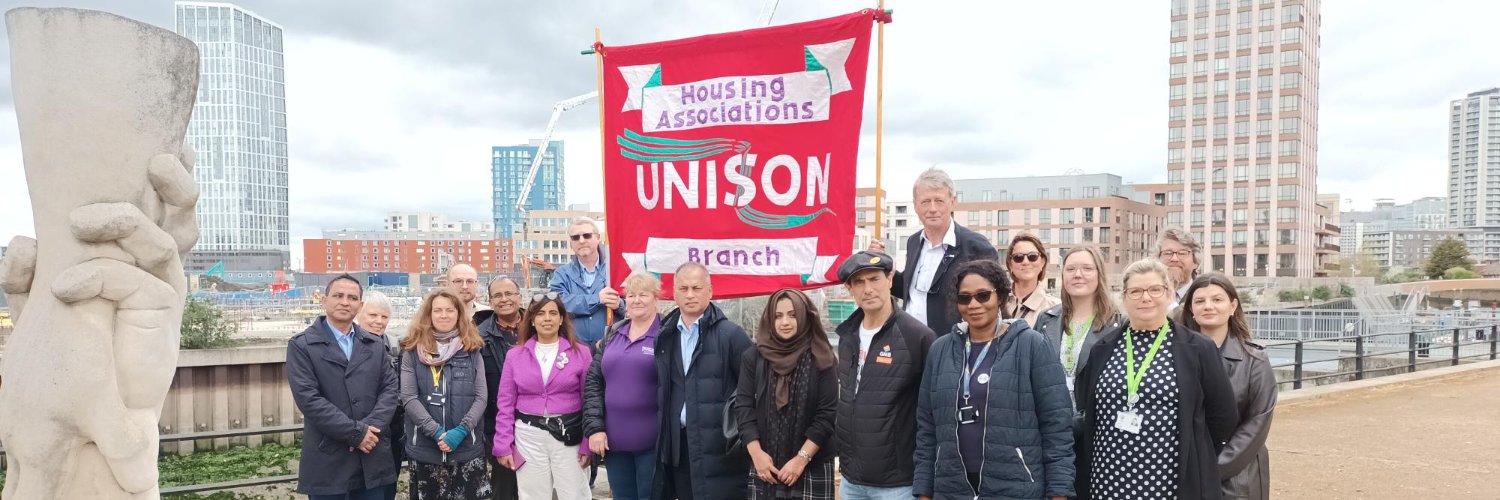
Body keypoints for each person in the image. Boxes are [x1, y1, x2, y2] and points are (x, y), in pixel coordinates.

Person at [1073, 259, 1238, 500]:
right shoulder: (1103, 349)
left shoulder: (1198, 349)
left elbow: (1223, 416)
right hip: (1106, 478)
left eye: (1155, 290)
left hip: (1168, 481)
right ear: (1124, 297)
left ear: (1169, 293)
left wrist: (1195, 452)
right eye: (1136, 291)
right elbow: (1087, 407)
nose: (1145, 298)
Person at [913, 260, 1075, 499]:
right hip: (951, 488)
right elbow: (927, 428)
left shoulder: (1031, 345)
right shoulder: (940, 350)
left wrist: (1059, 491)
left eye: (983, 295)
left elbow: (1056, 424)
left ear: (1000, 296)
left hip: (1016, 488)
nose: (974, 304)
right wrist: (924, 490)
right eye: (964, 298)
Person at [832, 251, 936, 499]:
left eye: (874, 279)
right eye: (859, 282)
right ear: (850, 289)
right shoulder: (847, 336)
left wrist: (925, 483)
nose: (868, 289)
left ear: (890, 279)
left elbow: (933, 415)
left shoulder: (917, 337)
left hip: (898, 485)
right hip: (851, 481)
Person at [286, 274, 399, 500]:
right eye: (338, 296)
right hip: (329, 455)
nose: (345, 302)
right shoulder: (302, 346)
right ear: (324, 300)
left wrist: (369, 430)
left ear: (360, 305)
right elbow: (309, 399)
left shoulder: (374, 344)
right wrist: (355, 433)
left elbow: (389, 390)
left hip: (371, 453)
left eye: (352, 298)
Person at [653, 262, 753, 499]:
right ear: (674, 293)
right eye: (683, 288)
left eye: (696, 288)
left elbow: (751, 392)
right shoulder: (665, 336)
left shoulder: (731, 335)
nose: (690, 295)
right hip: (680, 449)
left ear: (710, 291)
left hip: (720, 451)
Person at [1180, 273, 1276, 500]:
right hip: (1185, 472)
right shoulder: (1176, 357)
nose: (1208, 306)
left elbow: (1256, 424)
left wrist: (1210, 470)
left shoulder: (1255, 361)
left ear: (1233, 306)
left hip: (1237, 476)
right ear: (1191, 309)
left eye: (1217, 299)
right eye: (1200, 301)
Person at [870, 167, 999, 336]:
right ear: (915, 205)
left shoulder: (975, 246)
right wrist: (882, 265)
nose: (932, 208)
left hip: (954, 344)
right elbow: (909, 291)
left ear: (952, 202)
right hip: (910, 342)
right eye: (925, 202)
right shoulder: (913, 242)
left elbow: (993, 302)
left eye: (939, 201)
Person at [735, 288, 838, 499]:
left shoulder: (822, 357)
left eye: (793, 315)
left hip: (812, 465)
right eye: (778, 316)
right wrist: (756, 454)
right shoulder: (754, 357)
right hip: (765, 466)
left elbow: (827, 415)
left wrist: (801, 459)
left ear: (804, 316)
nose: (785, 322)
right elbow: (744, 407)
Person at [492, 293, 594, 500]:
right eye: (540, 313)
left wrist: (587, 441)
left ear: (561, 318)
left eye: (553, 313)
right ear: (531, 319)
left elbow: (590, 400)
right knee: (532, 495)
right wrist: (502, 442)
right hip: (528, 436)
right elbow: (505, 402)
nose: (547, 318)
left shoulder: (581, 353)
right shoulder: (515, 355)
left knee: (575, 494)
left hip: (569, 435)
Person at [398, 289, 492, 498]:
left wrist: (460, 431)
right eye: (437, 310)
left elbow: (481, 397)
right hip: (426, 450)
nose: (444, 315)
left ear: (459, 314)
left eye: (450, 310)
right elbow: (409, 397)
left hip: (467, 449)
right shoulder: (412, 351)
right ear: (429, 314)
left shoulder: (472, 349)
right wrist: (437, 432)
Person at [584, 272, 664, 500]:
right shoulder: (613, 333)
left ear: (656, 298)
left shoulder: (667, 335)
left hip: (653, 445)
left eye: (643, 295)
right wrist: (595, 428)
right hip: (614, 444)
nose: (636, 300)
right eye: (631, 295)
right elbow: (593, 383)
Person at [1034, 247, 1123, 399]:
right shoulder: (1046, 319)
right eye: (1070, 269)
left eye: (1087, 268)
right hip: (1051, 410)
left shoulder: (1117, 324)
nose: (1077, 275)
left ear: (1099, 274)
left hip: (1092, 410)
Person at [473, 277, 523, 500]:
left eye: (509, 293)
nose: (504, 299)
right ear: (490, 300)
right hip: (498, 425)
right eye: (497, 295)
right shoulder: (478, 336)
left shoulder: (539, 326)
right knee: (504, 487)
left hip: (535, 422)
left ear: (519, 296)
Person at [550, 217, 625, 345]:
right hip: (573, 347)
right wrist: (597, 299)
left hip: (611, 345)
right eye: (575, 237)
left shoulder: (615, 270)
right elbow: (558, 303)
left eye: (587, 235)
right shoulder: (561, 274)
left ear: (598, 237)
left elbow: (633, 302)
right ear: (571, 243)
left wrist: (619, 304)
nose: (581, 241)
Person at [358, 291, 403, 472]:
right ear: (359, 313)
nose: (379, 321)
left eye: (384, 317)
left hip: (392, 425)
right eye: (373, 315)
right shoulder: (348, 346)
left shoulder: (395, 346)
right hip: (359, 424)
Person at [1004, 233, 1061, 327]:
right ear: (1010, 264)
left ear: (1042, 262)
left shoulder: (1056, 308)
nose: (1025, 262)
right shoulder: (996, 302)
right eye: (1018, 257)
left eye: (1033, 256)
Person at [1157, 227, 1203, 304]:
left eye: (1182, 253)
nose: (1174, 259)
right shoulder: (1147, 296)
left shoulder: (1204, 296)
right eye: (1167, 253)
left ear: (1195, 262)